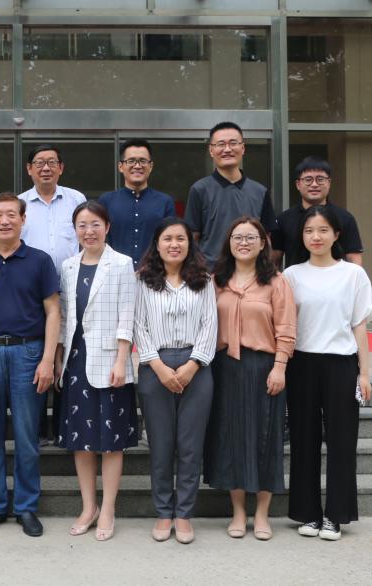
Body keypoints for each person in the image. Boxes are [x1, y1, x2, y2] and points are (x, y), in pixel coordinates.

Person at [0, 193, 60, 538]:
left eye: (11, 215)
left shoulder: (40, 261)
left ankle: (26, 506)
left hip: (28, 354)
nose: (4, 221)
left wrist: (48, 359)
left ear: (23, 219)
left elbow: (53, 311)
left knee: (26, 434)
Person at [284, 205, 372, 542]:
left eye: (323, 230)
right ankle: (308, 513)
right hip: (301, 364)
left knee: (342, 441)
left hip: (341, 364)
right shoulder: (291, 275)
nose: (316, 237)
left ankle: (335, 516)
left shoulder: (353, 275)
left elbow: (359, 325)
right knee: (303, 439)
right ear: (302, 236)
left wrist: (364, 374)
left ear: (337, 235)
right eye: (309, 231)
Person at [203, 217, 296, 541]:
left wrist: (280, 367)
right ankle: (239, 511)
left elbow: (286, 328)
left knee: (265, 438)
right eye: (237, 237)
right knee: (231, 437)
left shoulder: (276, 281)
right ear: (229, 243)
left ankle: (262, 513)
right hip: (224, 367)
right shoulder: (217, 280)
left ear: (262, 243)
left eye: (250, 237)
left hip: (264, 367)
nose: (243, 242)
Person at [56, 200, 139, 542]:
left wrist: (122, 359)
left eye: (95, 224)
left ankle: (108, 508)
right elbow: (64, 316)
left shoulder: (122, 263)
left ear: (107, 227)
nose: (88, 231)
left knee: (111, 442)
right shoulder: (68, 266)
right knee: (81, 440)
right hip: (76, 360)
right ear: (74, 230)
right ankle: (88, 506)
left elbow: (128, 314)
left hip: (109, 361)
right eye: (82, 225)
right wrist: (58, 358)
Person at [134, 217, 217, 544]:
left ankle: (183, 514)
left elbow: (210, 324)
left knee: (190, 446)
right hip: (155, 366)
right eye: (167, 238)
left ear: (189, 244)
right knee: (161, 445)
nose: (174, 244)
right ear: (157, 244)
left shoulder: (204, 281)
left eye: (180, 239)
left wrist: (193, 365)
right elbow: (139, 325)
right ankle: (163, 513)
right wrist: (158, 366)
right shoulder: (143, 281)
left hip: (196, 366)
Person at [18, 143, 85, 447]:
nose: (45, 168)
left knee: (65, 354)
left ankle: (60, 427)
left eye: (51, 162)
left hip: (70, 290)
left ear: (61, 168)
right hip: (31, 292)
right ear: (29, 169)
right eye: (39, 163)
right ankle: (35, 428)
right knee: (38, 352)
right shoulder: (20, 204)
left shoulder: (76, 200)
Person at [185, 122, 278, 267]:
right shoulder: (199, 190)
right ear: (211, 150)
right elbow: (192, 238)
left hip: (252, 273)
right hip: (211, 274)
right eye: (221, 144)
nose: (227, 149)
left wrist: (267, 271)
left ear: (243, 148)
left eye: (233, 143)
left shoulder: (260, 191)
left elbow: (266, 238)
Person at [273, 156, 364, 268]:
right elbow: (274, 260)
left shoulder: (345, 218)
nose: (314, 184)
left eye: (320, 179)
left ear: (329, 183)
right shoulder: (283, 219)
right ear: (298, 184)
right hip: (294, 279)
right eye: (308, 180)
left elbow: (354, 258)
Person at [98, 139, 176, 267]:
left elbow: (170, 240)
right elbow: (100, 241)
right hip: (115, 272)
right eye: (131, 161)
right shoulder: (106, 201)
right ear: (120, 166)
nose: (137, 166)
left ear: (151, 166)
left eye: (143, 161)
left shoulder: (165, 202)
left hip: (155, 273)